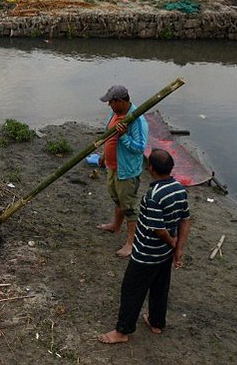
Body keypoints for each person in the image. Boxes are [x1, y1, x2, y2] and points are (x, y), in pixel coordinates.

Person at [96, 148, 191, 345]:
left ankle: (122, 331)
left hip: (146, 254)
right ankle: (156, 322)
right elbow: (184, 220)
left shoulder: (153, 195)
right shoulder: (179, 189)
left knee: (131, 290)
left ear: (151, 169)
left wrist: (173, 243)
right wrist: (178, 249)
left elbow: (159, 230)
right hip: (164, 254)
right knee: (159, 287)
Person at [95, 85, 149, 258]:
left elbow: (140, 148)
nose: (109, 105)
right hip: (113, 166)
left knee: (129, 206)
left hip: (127, 170)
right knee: (117, 199)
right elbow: (109, 135)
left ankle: (131, 243)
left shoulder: (136, 120)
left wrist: (124, 136)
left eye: (110, 102)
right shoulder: (116, 114)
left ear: (119, 101)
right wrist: (104, 154)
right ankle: (116, 226)